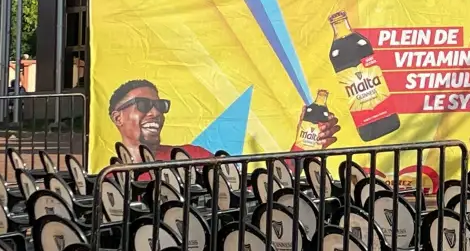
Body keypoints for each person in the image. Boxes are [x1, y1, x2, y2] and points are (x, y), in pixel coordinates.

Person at [109, 79, 340, 160]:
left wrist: (303, 147)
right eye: (143, 105)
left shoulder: (189, 156)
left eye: (160, 106)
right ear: (117, 117)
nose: (155, 113)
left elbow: (250, 191)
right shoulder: (111, 180)